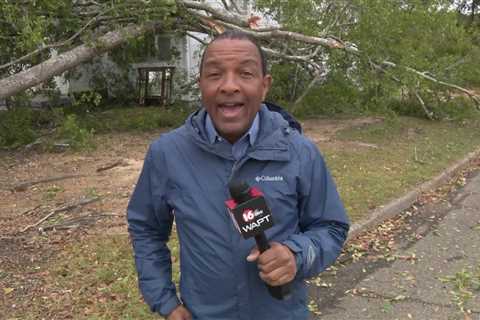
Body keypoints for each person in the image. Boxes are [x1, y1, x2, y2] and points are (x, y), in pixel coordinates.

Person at [127, 30, 350, 320]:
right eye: (215, 74)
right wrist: (165, 301)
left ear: (264, 85)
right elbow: (145, 229)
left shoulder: (299, 152)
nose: (229, 86)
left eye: (245, 73)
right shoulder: (167, 154)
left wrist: (296, 255)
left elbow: (330, 226)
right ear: (201, 84)